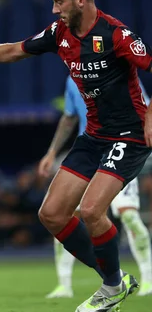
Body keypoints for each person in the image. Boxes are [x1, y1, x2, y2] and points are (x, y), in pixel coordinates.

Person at [0, 0, 152, 312]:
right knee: (51, 214)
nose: (54, 10)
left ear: (80, 0)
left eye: (59, 2)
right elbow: (14, 50)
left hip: (129, 136)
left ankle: (111, 289)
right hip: (95, 137)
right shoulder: (60, 33)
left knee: (90, 211)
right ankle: (114, 281)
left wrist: (150, 116)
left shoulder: (116, 34)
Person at [40, 76, 152, 298]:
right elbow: (69, 117)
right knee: (63, 214)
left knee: (128, 215)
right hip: (90, 153)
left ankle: (148, 279)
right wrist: (52, 151)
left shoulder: (119, 69)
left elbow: (146, 110)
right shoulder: (72, 79)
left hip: (122, 150)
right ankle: (64, 284)